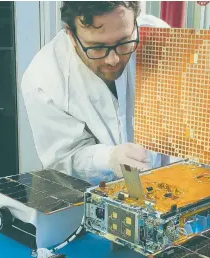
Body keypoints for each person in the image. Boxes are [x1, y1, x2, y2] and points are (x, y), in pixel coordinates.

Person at [21, 2, 176, 186]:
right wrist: (108, 159)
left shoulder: (160, 37)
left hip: (170, 185)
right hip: (95, 197)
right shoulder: (44, 78)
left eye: (124, 42)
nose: (113, 59)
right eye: (97, 47)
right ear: (71, 34)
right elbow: (63, 160)